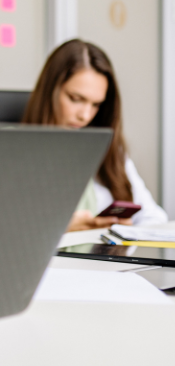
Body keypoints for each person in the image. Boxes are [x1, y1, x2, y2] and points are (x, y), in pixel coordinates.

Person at [23, 39, 167, 232]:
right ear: (50, 91)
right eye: (76, 99)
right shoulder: (8, 150)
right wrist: (59, 230)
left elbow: (154, 218)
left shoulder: (108, 151)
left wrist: (125, 232)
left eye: (96, 105)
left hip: (109, 261)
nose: (85, 115)